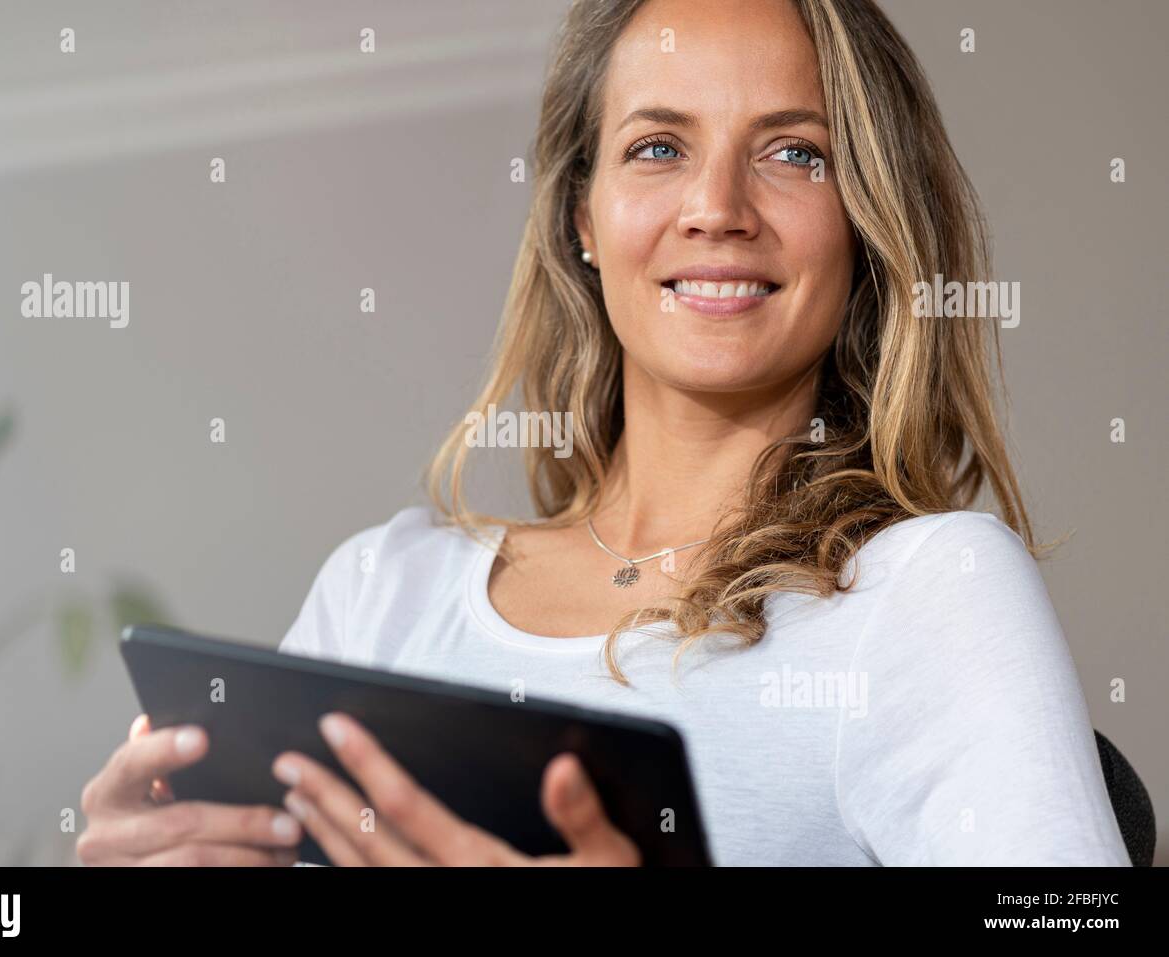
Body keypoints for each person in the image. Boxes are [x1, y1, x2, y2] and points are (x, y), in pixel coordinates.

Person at [76, 0, 1130, 866]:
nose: (716, 207)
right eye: (659, 146)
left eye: (794, 154)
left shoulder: (924, 594)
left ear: (863, 220)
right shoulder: (380, 593)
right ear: (581, 215)